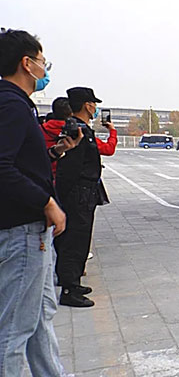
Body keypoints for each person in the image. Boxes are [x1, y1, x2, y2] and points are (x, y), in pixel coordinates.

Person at [0, 28, 96, 377]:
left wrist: (58, 151)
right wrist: (47, 202)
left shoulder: (18, 104)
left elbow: (21, 161)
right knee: (15, 320)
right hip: (21, 228)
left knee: (40, 312)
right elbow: (3, 168)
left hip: (32, 229)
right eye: (42, 60)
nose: (44, 67)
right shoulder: (10, 104)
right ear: (27, 63)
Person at [54, 87, 109, 308]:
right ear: (87, 105)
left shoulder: (81, 128)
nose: (95, 108)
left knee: (80, 239)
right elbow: (70, 168)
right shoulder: (77, 130)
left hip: (84, 192)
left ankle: (74, 282)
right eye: (93, 104)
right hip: (79, 193)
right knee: (74, 241)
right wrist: (68, 196)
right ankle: (69, 289)